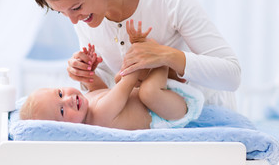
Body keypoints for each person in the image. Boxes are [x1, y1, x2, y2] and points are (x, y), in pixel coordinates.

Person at [29, 0, 241, 111]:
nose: (74, 20)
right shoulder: (86, 16)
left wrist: (166, 55)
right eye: (61, 13)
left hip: (209, 120)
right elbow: (110, 88)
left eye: (76, 8)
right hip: (155, 129)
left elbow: (231, 76)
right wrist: (88, 74)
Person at [20, 20, 204, 129]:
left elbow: (102, 91)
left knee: (118, 80)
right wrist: (138, 49)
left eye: (60, 93)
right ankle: (160, 59)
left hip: (160, 101)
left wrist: (90, 74)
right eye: (61, 111)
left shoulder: (87, 105)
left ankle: (155, 60)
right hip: (168, 113)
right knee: (143, 90)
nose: (67, 99)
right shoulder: (99, 116)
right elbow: (129, 80)